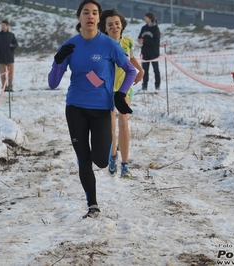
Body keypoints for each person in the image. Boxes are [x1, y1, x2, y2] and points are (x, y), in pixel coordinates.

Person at [48, 0, 136, 219]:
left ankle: (106, 161)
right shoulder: (70, 46)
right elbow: (52, 83)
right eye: (86, 12)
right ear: (79, 17)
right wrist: (58, 61)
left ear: (99, 19)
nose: (90, 16)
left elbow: (131, 71)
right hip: (75, 106)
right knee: (83, 159)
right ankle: (93, 205)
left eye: (94, 12)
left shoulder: (109, 44)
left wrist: (120, 94)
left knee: (101, 160)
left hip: (101, 108)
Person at [99, 9, 144, 178]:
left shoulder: (128, 43)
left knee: (124, 122)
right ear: (104, 28)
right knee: (111, 125)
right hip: (107, 91)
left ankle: (125, 164)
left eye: (117, 24)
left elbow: (130, 58)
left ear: (121, 25)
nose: (114, 27)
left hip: (124, 89)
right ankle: (112, 157)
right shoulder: (100, 45)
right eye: (110, 24)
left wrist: (141, 70)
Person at [0, 20, 18, 92]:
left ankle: (10, 87)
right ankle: (4, 87)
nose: (2, 27)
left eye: (4, 25)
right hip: (1, 58)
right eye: (2, 25)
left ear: (7, 26)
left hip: (9, 57)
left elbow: (16, 44)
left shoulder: (11, 35)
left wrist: (12, 47)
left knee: (10, 74)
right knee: (2, 74)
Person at [137, 12, 161, 91]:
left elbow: (155, 41)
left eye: (146, 17)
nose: (145, 18)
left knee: (156, 70)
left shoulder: (155, 29)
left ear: (150, 18)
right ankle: (144, 86)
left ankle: (157, 86)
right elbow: (140, 36)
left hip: (154, 53)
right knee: (144, 71)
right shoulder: (144, 28)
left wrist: (145, 41)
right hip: (145, 52)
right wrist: (140, 40)